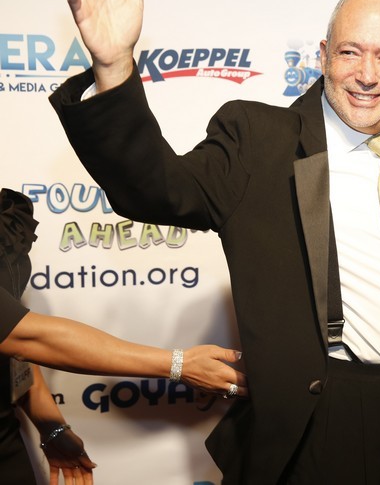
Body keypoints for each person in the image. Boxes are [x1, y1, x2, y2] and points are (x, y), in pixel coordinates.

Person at [50, 0, 380, 483]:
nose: (367, 76)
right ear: (323, 55)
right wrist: (115, 66)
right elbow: (156, 189)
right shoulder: (260, 141)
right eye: (350, 52)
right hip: (326, 416)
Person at [1, 188, 247, 484]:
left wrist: (51, 427)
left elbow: (15, 341)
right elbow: (25, 337)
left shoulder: (9, 213)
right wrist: (181, 364)